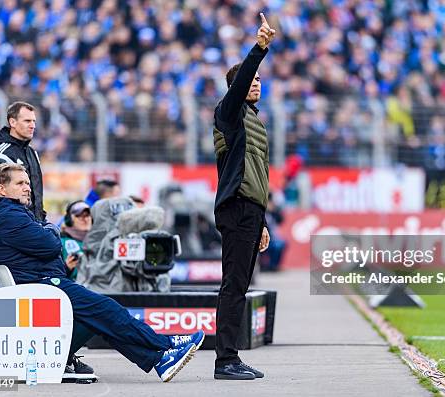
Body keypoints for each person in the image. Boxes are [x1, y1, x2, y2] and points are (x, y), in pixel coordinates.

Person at [0, 164, 204, 382]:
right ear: (1, 188)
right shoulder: (7, 215)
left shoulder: (7, 212)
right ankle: (164, 347)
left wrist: (46, 231)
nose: (27, 187)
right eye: (20, 183)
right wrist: (51, 228)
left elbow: (45, 244)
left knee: (99, 315)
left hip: (39, 284)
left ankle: (161, 357)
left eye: (27, 183)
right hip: (39, 287)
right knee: (107, 309)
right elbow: (52, 245)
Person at [211, 13, 275, 380]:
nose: (256, 84)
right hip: (236, 209)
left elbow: (257, 176)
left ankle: (231, 356)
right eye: (249, 79)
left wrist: (263, 219)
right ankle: (225, 360)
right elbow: (243, 176)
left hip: (250, 210)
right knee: (233, 285)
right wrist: (259, 49)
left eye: (259, 80)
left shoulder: (254, 120)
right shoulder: (230, 113)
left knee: (240, 285)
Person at [0, 101, 46, 221]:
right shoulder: (0, 154)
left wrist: (41, 221)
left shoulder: (32, 153)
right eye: (27, 121)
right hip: (11, 229)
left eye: (34, 121)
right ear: (12, 122)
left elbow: (36, 197)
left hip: (32, 225)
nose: (33, 125)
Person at [61, 200, 92, 281]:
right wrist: (66, 268)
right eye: (79, 216)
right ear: (69, 220)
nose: (85, 219)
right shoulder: (61, 242)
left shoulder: (100, 241)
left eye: (87, 215)